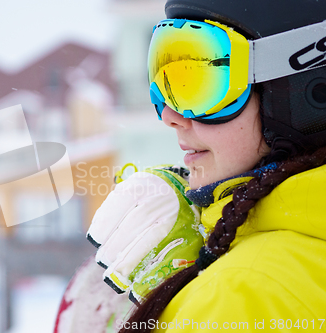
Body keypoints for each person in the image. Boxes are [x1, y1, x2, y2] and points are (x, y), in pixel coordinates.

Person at [85, 0, 326, 332]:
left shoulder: (237, 297)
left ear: (309, 92)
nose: (170, 115)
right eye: (164, 77)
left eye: (200, 82)